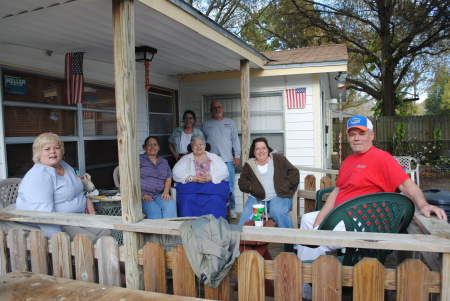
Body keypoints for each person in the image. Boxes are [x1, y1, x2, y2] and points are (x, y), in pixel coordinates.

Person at [297, 115, 448, 262]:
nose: (356, 138)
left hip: (364, 221)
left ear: (372, 135)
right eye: (352, 134)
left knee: (315, 237)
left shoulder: (382, 158)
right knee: (307, 220)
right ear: (348, 138)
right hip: (342, 215)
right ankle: (306, 278)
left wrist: (423, 205)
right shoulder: (348, 160)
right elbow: (337, 191)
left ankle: (310, 277)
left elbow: (406, 184)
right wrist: (321, 218)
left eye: (362, 133)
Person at [15, 132, 111, 242]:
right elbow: (43, 214)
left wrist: (86, 200)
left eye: (57, 148)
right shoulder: (39, 175)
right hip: (59, 222)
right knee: (88, 241)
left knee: (105, 232)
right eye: (47, 149)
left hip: (77, 216)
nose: (53, 151)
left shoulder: (65, 166)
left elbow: (77, 189)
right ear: (38, 153)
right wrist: (59, 239)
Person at [238, 137, 299, 228]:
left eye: (264, 148)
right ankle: (245, 242)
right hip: (257, 198)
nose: (261, 151)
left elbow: (294, 173)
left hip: (278, 196)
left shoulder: (278, 159)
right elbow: (242, 183)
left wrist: (284, 186)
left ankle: (289, 242)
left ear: (268, 149)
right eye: (258, 149)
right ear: (254, 152)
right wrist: (252, 188)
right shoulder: (249, 165)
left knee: (278, 211)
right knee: (245, 219)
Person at [173, 134, 230, 218]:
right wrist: (192, 178)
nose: (198, 146)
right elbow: (175, 172)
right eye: (195, 145)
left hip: (211, 187)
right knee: (186, 199)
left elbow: (224, 171)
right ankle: (189, 224)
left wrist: (211, 177)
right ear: (192, 147)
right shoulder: (185, 158)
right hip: (192, 188)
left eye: (200, 144)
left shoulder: (214, 157)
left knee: (216, 199)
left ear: (205, 146)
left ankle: (214, 225)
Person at [202, 100, 241, 218]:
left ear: (222, 108)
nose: (217, 109)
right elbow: (202, 143)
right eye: (214, 108)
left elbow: (235, 140)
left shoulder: (230, 123)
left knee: (229, 187)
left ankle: (231, 209)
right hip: (211, 162)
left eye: (219, 107)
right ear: (211, 110)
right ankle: (216, 208)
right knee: (213, 186)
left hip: (228, 160)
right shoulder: (206, 124)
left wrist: (237, 156)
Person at [140, 136, 177, 219]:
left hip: (158, 195)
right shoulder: (139, 159)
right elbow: (131, 178)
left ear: (158, 147)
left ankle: (168, 231)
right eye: (149, 144)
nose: (152, 146)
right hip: (143, 195)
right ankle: (156, 232)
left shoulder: (163, 162)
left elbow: (168, 177)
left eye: (155, 144)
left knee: (170, 203)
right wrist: (141, 194)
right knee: (154, 209)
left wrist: (166, 191)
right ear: (144, 147)